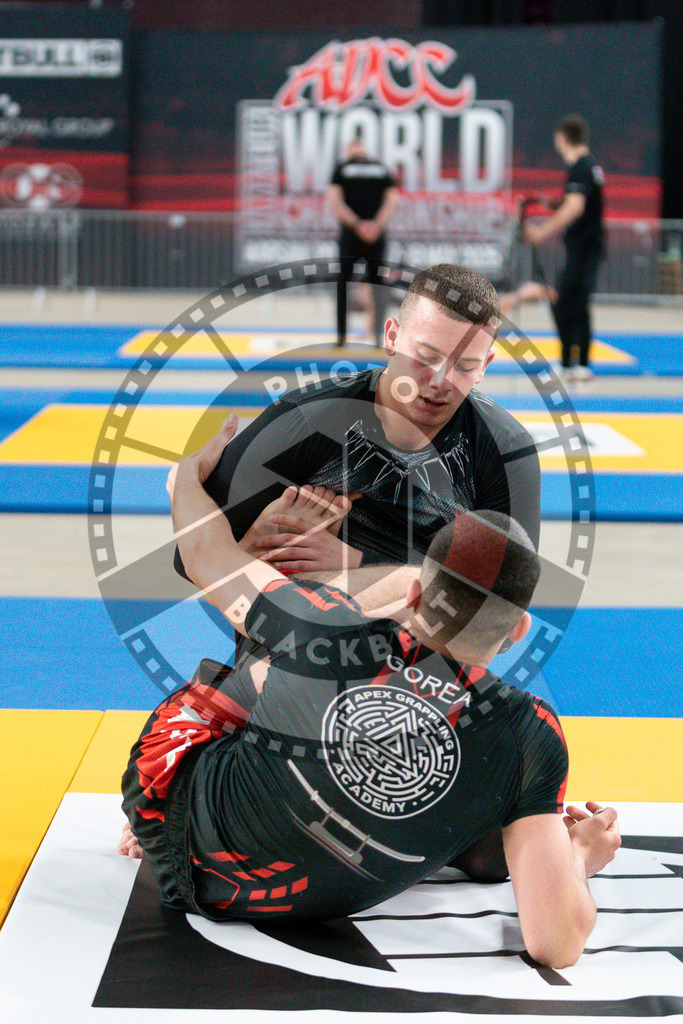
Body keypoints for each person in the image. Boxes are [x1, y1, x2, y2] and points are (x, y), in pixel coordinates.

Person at [121, 415, 620, 970]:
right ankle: (496, 838)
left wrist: (187, 474)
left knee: (281, 646)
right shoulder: (532, 733)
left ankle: (295, 575)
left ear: (413, 592)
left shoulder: (321, 624)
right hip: (319, 897)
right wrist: (577, 860)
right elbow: (556, 945)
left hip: (179, 841)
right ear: (519, 628)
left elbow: (202, 554)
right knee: (502, 784)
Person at [177, 263, 541, 581]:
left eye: (465, 366)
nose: (439, 381)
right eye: (426, 356)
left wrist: (355, 562)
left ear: (485, 366)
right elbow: (187, 560)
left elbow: (502, 611)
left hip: (429, 655)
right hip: (298, 648)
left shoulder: (504, 449)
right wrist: (255, 547)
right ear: (392, 337)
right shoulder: (306, 421)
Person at [524, 115, 604, 383]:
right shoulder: (590, 168)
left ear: (562, 138)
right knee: (577, 305)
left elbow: (576, 207)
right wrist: (553, 205)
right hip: (585, 248)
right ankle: (576, 365)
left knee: (567, 304)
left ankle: (573, 364)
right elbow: (575, 204)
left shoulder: (581, 167)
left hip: (584, 248)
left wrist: (542, 232)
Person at [327, 135, 400, 346]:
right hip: (376, 235)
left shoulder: (342, 169)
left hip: (352, 234)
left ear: (350, 150)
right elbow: (392, 200)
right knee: (378, 285)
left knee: (343, 284)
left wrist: (358, 224)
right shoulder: (381, 169)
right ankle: (379, 337)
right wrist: (376, 224)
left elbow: (335, 200)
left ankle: (341, 337)